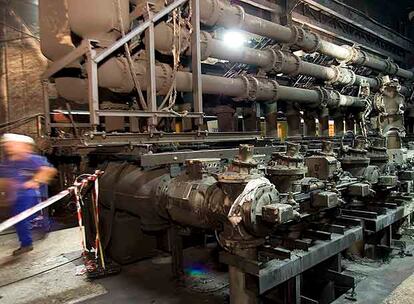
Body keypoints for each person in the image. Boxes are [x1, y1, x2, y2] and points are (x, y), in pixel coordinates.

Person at [0, 133, 57, 256]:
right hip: (14, 195)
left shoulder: (30, 159)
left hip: (28, 194)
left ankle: (29, 240)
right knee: (19, 219)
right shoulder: (8, 162)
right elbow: (3, 179)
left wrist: (35, 181)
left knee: (23, 218)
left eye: (11, 144)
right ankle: (28, 241)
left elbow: (48, 170)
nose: (8, 147)